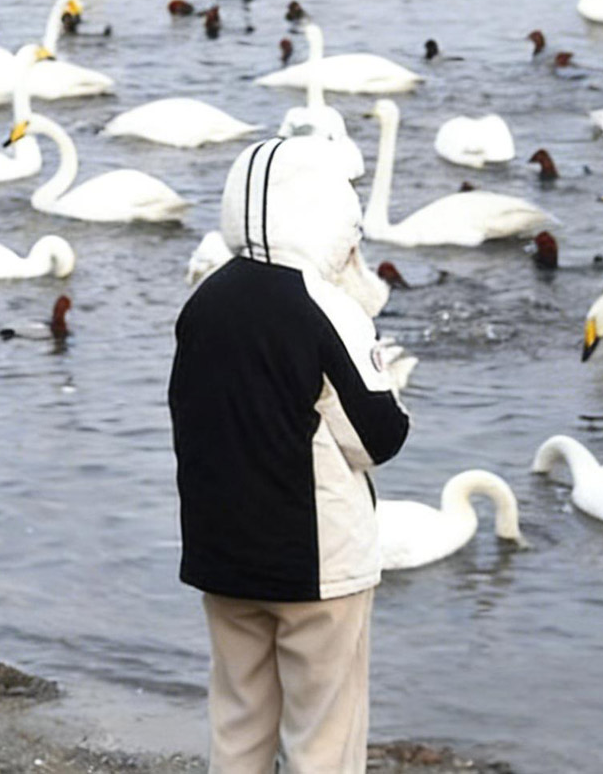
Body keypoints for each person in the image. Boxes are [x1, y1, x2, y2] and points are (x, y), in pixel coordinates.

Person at [169, 137, 411, 774]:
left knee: (238, 726)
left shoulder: (203, 303)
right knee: (322, 741)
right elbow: (378, 437)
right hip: (318, 568)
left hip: (221, 557)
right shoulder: (327, 307)